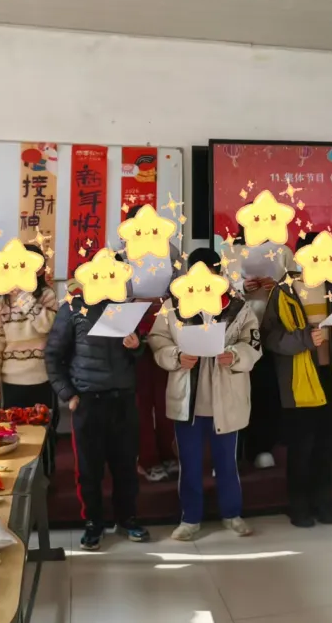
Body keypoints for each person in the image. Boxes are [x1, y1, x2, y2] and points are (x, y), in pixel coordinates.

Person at [149, 248, 262, 541]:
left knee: (227, 462)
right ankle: (190, 519)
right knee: (189, 462)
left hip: (226, 396)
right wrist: (176, 356)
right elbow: (157, 339)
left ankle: (232, 514)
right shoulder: (173, 306)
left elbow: (253, 342)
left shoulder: (238, 307)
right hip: (188, 396)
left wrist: (235, 355)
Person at [261, 232, 332, 528]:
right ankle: (299, 506)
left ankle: (323, 502)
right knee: (301, 447)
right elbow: (270, 337)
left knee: (327, 446)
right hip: (299, 380)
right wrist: (305, 338)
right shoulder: (284, 291)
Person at [45, 273, 150, 548]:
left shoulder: (124, 308)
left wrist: (136, 347)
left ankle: (127, 519)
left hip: (123, 398)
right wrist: (68, 394)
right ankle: (93, 523)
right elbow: (53, 355)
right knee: (89, 469)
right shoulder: (72, 308)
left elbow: (138, 352)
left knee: (125, 465)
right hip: (88, 399)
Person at [118, 204, 181, 482]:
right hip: (133, 335)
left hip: (166, 331)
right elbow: (110, 296)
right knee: (140, 400)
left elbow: (185, 290)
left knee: (166, 397)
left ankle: (169, 453)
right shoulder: (119, 257)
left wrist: (167, 298)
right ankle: (146, 458)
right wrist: (134, 300)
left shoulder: (172, 252)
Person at [224, 229, 292, 469]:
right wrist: (242, 285)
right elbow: (218, 286)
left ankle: (263, 447)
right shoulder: (231, 251)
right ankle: (234, 449)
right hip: (237, 333)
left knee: (267, 392)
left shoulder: (283, 251)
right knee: (236, 393)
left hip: (271, 330)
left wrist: (278, 286)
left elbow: (297, 285)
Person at [0, 247, 58, 411]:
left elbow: (46, 326)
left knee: (43, 423)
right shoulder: (0, 302)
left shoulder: (47, 295)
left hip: (43, 376)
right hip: (11, 379)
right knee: (15, 424)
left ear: (39, 271)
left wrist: (23, 297)